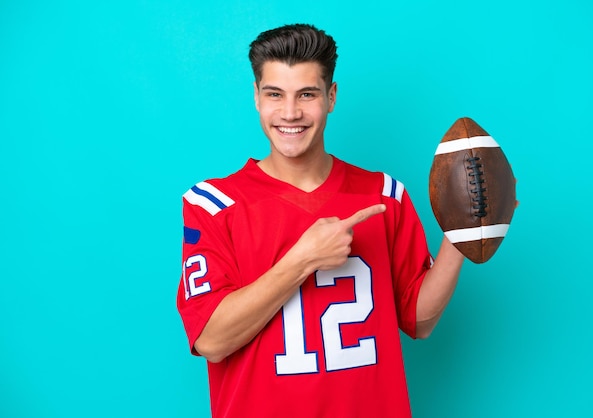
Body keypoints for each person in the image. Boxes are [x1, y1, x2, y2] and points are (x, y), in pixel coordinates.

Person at [177, 23, 465, 418]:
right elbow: (211, 339)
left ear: (331, 97)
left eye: (307, 94)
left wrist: (461, 235)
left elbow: (419, 320)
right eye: (274, 94)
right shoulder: (213, 204)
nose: (290, 113)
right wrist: (303, 258)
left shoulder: (384, 195)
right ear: (256, 98)